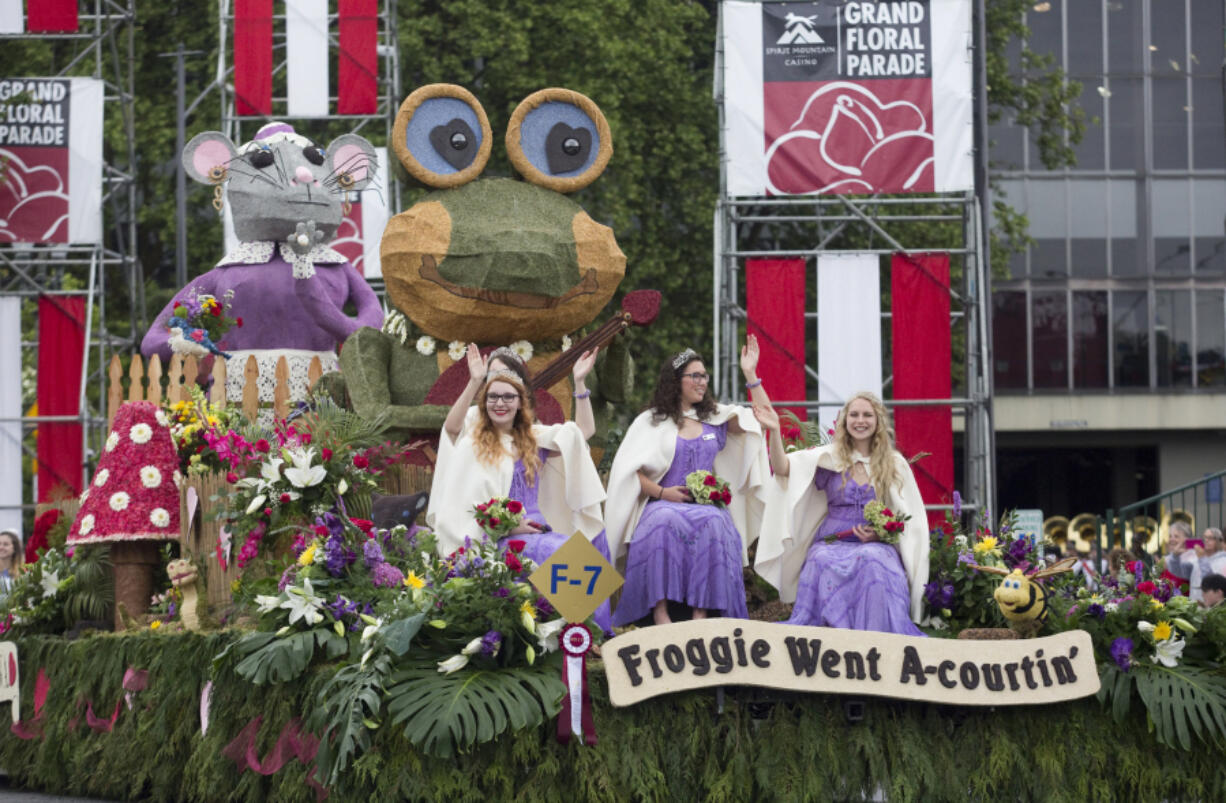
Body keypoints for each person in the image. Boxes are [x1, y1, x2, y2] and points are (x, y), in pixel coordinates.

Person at [426, 344, 610, 627]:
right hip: (499, 535)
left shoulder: (533, 438)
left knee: (593, 545)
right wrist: (508, 526)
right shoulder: (473, 444)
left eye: (508, 394)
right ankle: (582, 630)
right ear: (485, 400)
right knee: (559, 551)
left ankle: (590, 634)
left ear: (520, 400)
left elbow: (581, 433)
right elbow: (465, 504)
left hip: (538, 526)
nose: (500, 401)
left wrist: (580, 382)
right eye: (493, 394)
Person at [605, 339, 770, 626]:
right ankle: (660, 612)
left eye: (704, 375)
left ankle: (701, 614)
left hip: (707, 507)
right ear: (675, 381)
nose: (702, 381)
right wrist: (662, 492)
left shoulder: (716, 418)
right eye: (694, 375)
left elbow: (764, 418)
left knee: (713, 522)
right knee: (662, 520)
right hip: (662, 502)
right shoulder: (651, 421)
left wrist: (751, 374)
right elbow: (628, 472)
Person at [754, 392, 928, 635]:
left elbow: (908, 518)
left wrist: (880, 534)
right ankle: (830, 638)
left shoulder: (894, 463)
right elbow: (783, 469)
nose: (860, 420)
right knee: (820, 559)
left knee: (872, 559)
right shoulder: (828, 457)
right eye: (854, 414)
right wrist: (774, 430)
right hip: (832, 539)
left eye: (867, 415)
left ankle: (875, 636)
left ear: (878, 421)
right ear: (845, 421)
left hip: (875, 543)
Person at [1161, 520, 1195, 597]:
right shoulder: (1165, 559)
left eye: (1176, 536)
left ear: (1187, 539)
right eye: (1170, 536)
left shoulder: (1193, 557)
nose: (1171, 539)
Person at [0, 529, 23, 598]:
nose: (1, 547)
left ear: (14, 548)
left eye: (6, 544)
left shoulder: (22, 573)